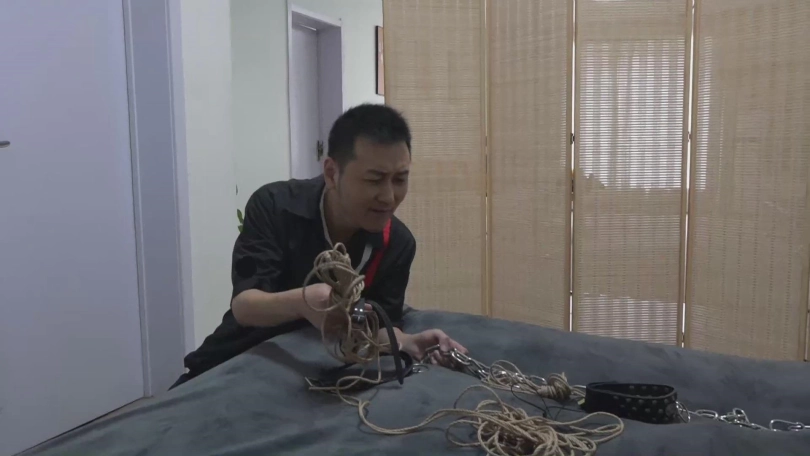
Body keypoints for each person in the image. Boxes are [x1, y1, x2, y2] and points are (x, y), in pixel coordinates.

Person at [172, 104, 466, 389]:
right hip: (236, 359)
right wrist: (305, 302)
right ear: (331, 173)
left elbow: (371, 327)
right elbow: (245, 306)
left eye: (400, 179)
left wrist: (406, 342)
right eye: (374, 180)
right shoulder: (274, 206)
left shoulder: (397, 243)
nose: (389, 197)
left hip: (316, 376)